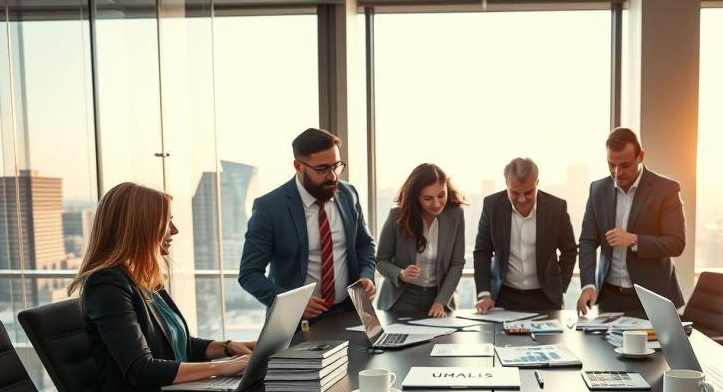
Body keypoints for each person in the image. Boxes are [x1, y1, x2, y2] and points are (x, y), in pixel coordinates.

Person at [68, 183, 255, 392]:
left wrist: (228, 347)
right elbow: (141, 369)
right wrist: (223, 368)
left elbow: (179, 345)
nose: (174, 230)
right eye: (167, 222)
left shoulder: (145, 277)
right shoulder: (106, 285)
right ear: (141, 227)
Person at [239, 128, 376, 321]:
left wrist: (367, 276)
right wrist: (292, 304)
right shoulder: (269, 208)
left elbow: (364, 244)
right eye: (322, 169)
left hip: (351, 312)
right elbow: (249, 274)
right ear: (298, 166)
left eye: (336, 166)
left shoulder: (349, 194)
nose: (332, 176)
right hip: (297, 320)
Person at [577, 127, 687, 316]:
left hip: (652, 298)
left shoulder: (666, 190)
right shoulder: (597, 190)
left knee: (654, 347)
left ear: (641, 156)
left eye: (625, 165)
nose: (617, 172)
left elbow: (676, 244)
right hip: (609, 298)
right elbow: (587, 241)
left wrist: (634, 240)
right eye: (611, 164)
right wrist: (588, 284)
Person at [473, 157, 577, 313]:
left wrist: (559, 286)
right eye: (515, 193)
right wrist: (484, 294)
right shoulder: (492, 206)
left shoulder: (556, 208)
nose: (522, 199)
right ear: (506, 185)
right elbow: (482, 251)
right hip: (504, 296)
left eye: (528, 192)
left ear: (537, 183)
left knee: (548, 338)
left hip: (546, 298)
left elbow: (569, 250)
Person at [376, 163, 466, 317]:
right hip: (400, 299)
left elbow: (457, 264)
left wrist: (441, 302)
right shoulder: (397, 216)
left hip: (439, 299)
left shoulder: (455, 215)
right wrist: (401, 273)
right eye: (428, 198)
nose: (437, 203)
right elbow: (380, 261)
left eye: (441, 195)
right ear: (415, 197)